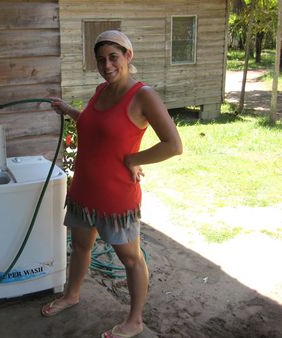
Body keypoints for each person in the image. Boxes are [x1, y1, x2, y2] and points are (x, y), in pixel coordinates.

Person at [41, 30, 183, 338]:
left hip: (116, 196)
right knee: (80, 246)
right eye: (101, 60)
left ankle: (135, 320)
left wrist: (133, 160)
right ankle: (72, 294)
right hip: (84, 189)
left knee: (131, 259)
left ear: (128, 56)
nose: (107, 65)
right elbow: (95, 126)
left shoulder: (143, 96)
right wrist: (68, 110)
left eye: (113, 57)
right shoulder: (101, 90)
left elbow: (173, 144)